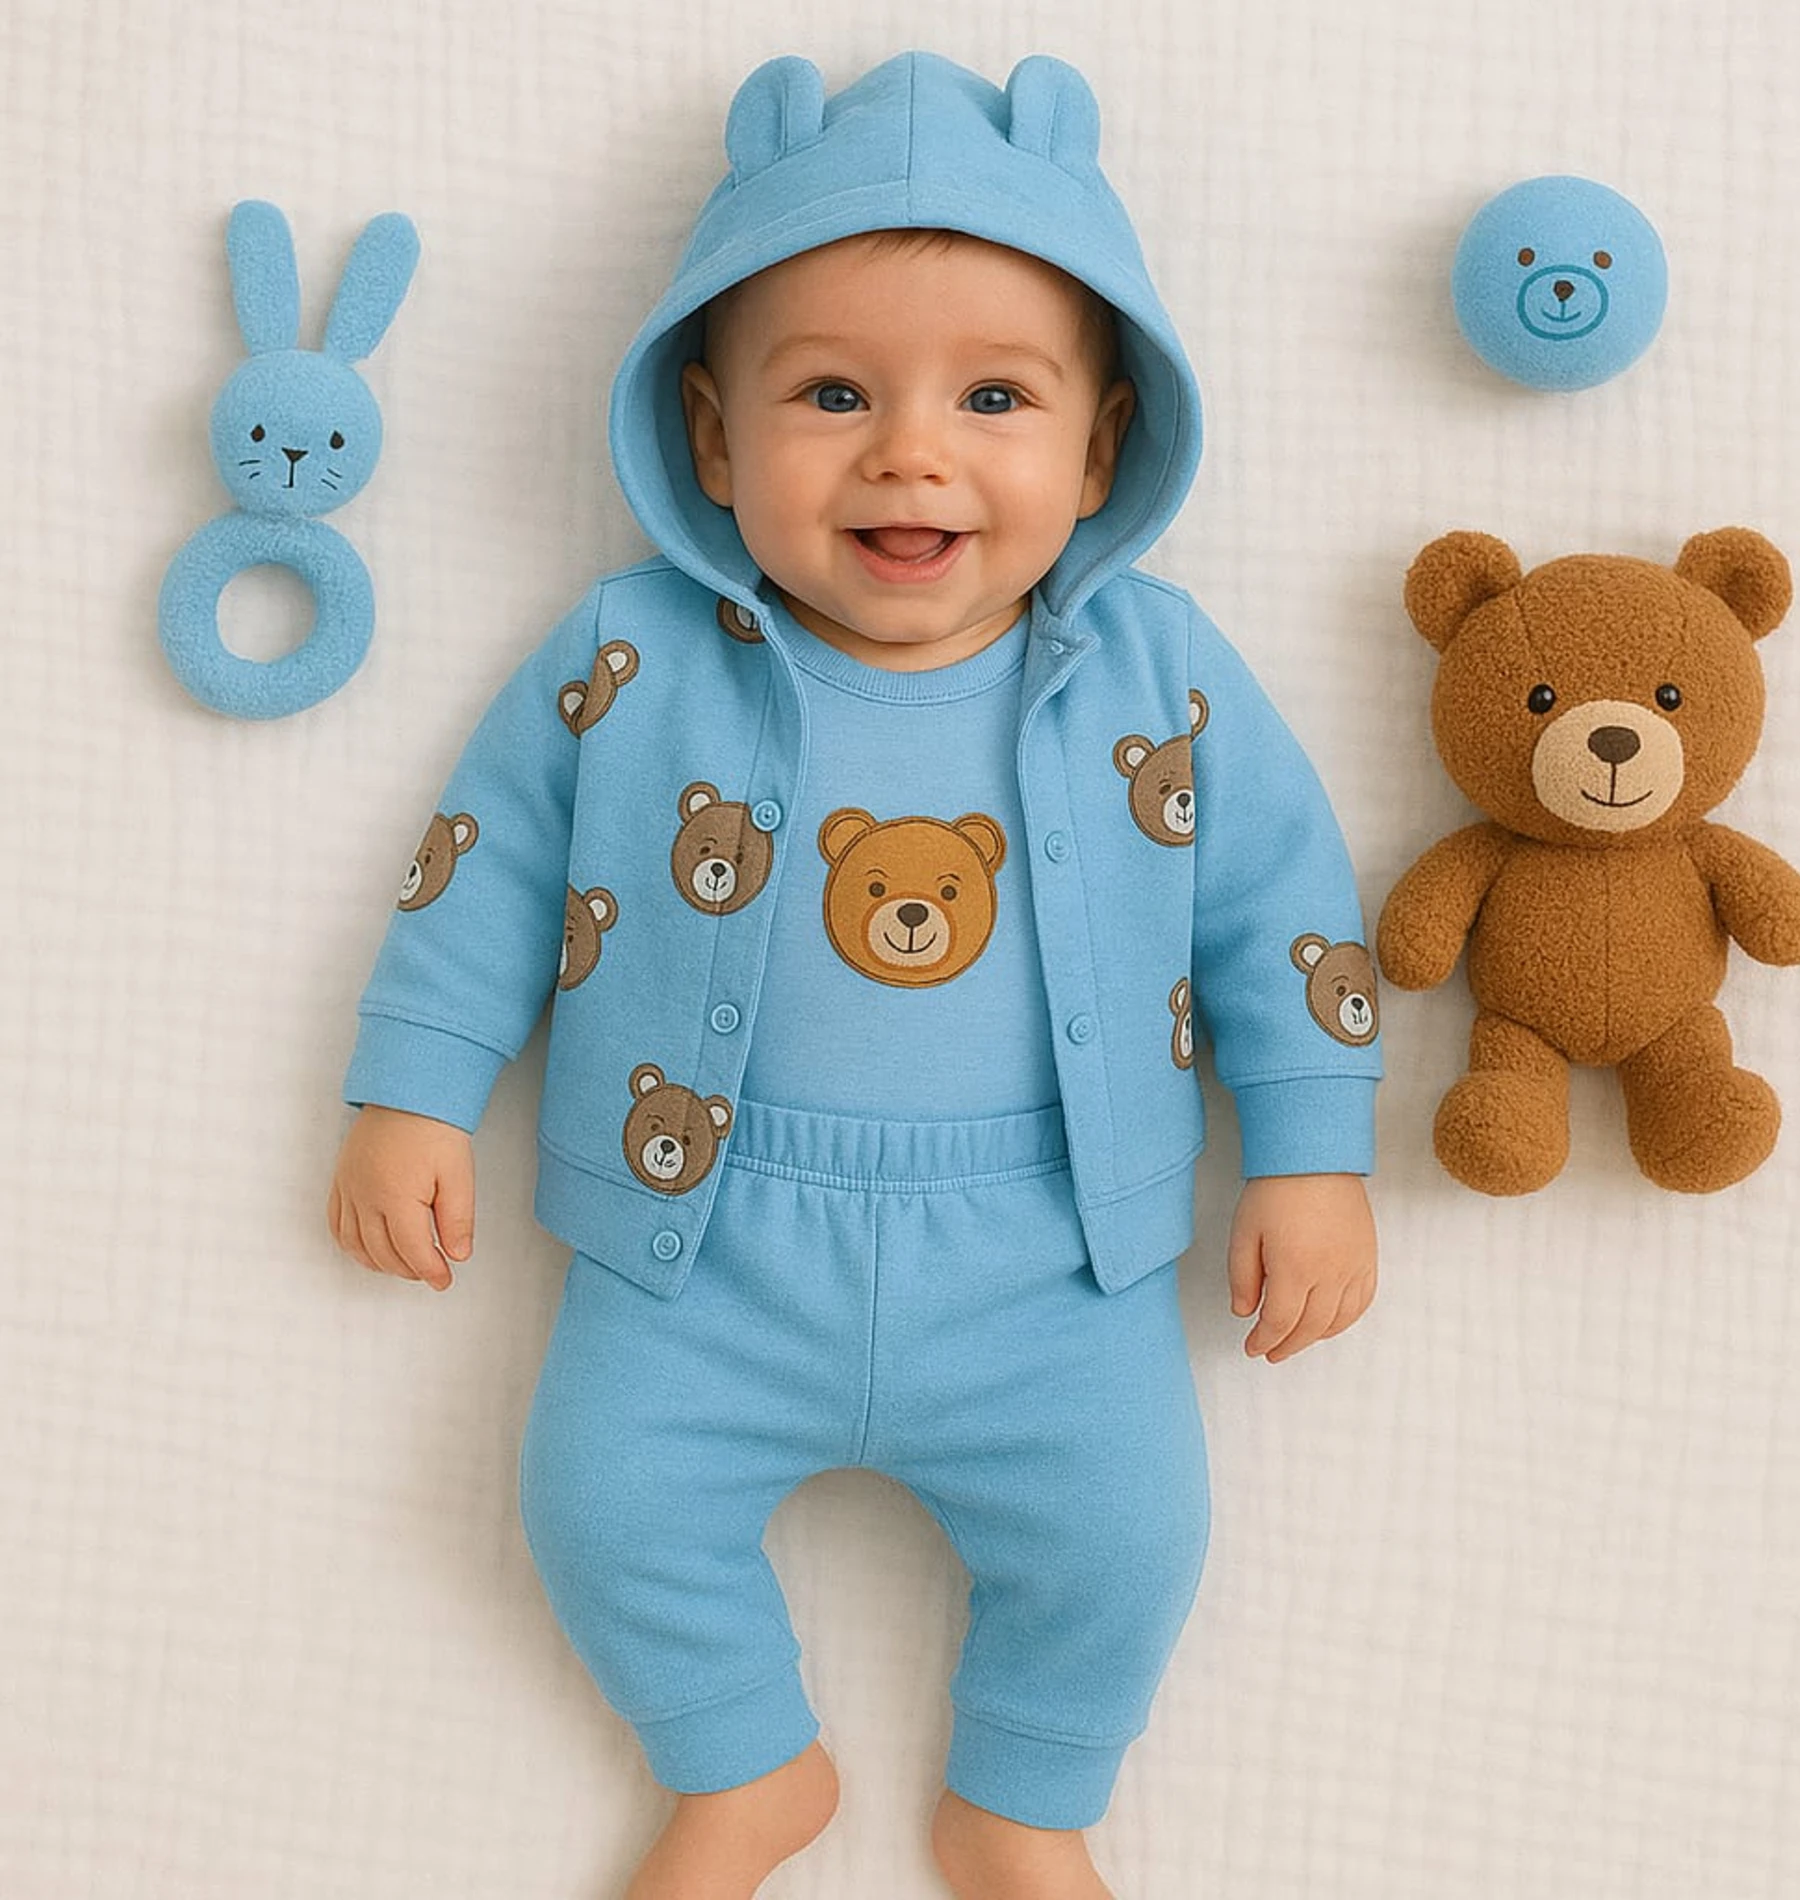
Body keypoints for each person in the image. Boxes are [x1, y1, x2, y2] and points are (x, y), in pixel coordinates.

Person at [327, 51, 1381, 1900]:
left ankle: (1024, 1797)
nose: (911, 452)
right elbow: (480, 870)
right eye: (831, 394)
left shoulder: (1153, 672)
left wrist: (1311, 1153)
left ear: (1102, 449)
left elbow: (1281, 906)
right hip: (697, 1241)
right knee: (598, 1502)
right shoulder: (632, 656)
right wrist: (412, 1091)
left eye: (996, 397)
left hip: (1052, 1263)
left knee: (1132, 1538)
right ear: (712, 441)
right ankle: (746, 1767)